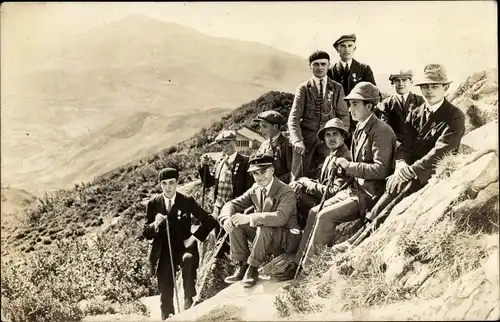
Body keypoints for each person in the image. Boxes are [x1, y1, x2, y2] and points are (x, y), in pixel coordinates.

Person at [334, 64, 466, 252]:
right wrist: (401, 164)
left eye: (434, 86)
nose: (429, 91)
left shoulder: (454, 116)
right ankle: (360, 235)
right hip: (410, 170)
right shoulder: (416, 112)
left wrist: (409, 171)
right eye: (425, 87)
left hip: (432, 171)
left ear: (446, 88)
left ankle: (359, 241)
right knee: (392, 186)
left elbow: (442, 151)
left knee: (401, 188)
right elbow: (405, 145)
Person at [276, 82, 396, 281]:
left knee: (324, 216)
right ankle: (297, 263)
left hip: (369, 196)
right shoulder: (360, 129)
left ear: (369, 106)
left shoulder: (381, 130)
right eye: (349, 104)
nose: (350, 109)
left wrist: (347, 166)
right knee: (315, 212)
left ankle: (307, 272)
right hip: (355, 190)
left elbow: (380, 169)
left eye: (355, 104)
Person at [142, 168, 218, 319]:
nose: (168, 187)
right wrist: (155, 225)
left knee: (188, 260)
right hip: (163, 250)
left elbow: (209, 220)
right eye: (164, 183)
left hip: (184, 246)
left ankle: (188, 301)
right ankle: (168, 316)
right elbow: (145, 232)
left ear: (177, 183)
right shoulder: (153, 204)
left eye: (171, 183)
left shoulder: (186, 201)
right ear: (160, 185)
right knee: (165, 288)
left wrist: (193, 237)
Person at [218, 151, 301, 288]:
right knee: (235, 221)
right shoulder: (256, 188)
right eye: (255, 173)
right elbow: (231, 204)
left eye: (263, 171)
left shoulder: (285, 191)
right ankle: (243, 265)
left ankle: (253, 269)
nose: (260, 176)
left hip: (287, 239)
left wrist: (249, 217)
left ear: (272, 170)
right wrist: (226, 219)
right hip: (266, 237)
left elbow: (279, 218)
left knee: (263, 225)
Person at [288, 50, 350, 180]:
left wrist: (340, 137)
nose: (320, 67)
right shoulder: (303, 88)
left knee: (332, 175)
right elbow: (293, 119)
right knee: (297, 177)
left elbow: (344, 116)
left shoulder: (337, 88)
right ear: (310, 66)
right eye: (316, 64)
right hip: (306, 140)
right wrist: (298, 140)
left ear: (329, 65)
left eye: (323, 64)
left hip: (329, 139)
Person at [289, 118, 352, 229]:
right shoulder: (330, 156)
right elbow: (322, 182)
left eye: (335, 134)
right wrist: (303, 183)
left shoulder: (345, 158)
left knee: (293, 196)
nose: (331, 138)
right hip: (322, 199)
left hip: (331, 205)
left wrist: (307, 183)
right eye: (327, 135)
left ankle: (295, 234)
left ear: (343, 137)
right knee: (292, 189)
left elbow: (333, 193)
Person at [199, 130, 253, 252]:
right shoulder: (220, 163)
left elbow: (250, 189)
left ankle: (238, 260)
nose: (225, 146)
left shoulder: (245, 162)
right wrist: (204, 168)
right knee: (219, 237)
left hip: (234, 208)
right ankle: (219, 262)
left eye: (227, 142)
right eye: (222, 144)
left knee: (234, 236)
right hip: (218, 207)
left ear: (235, 142)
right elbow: (208, 183)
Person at [327, 33, 378, 145]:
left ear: (354, 48)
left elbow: (373, 94)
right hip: (338, 118)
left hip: (359, 116)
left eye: (350, 46)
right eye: (343, 46)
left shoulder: (363, 69)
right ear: (337, 49)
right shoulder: (331, 71)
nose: (347, 49)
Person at [376, 69, 425, 144]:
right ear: (392, 83)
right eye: (397, 80)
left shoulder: (419, 100)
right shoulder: (387, 103)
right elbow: (385, 127)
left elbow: (424, 124)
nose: (401, 83)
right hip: (395, 143)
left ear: (411, 82)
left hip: (417, 142)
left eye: (404, 80)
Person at [253, 110, 293, 184]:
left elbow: (292, 173)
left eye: (264, 126)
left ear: (275, 126)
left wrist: (272, 183)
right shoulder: (264, 145)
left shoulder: (287, 144)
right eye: (260, 126)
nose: (261, 130)